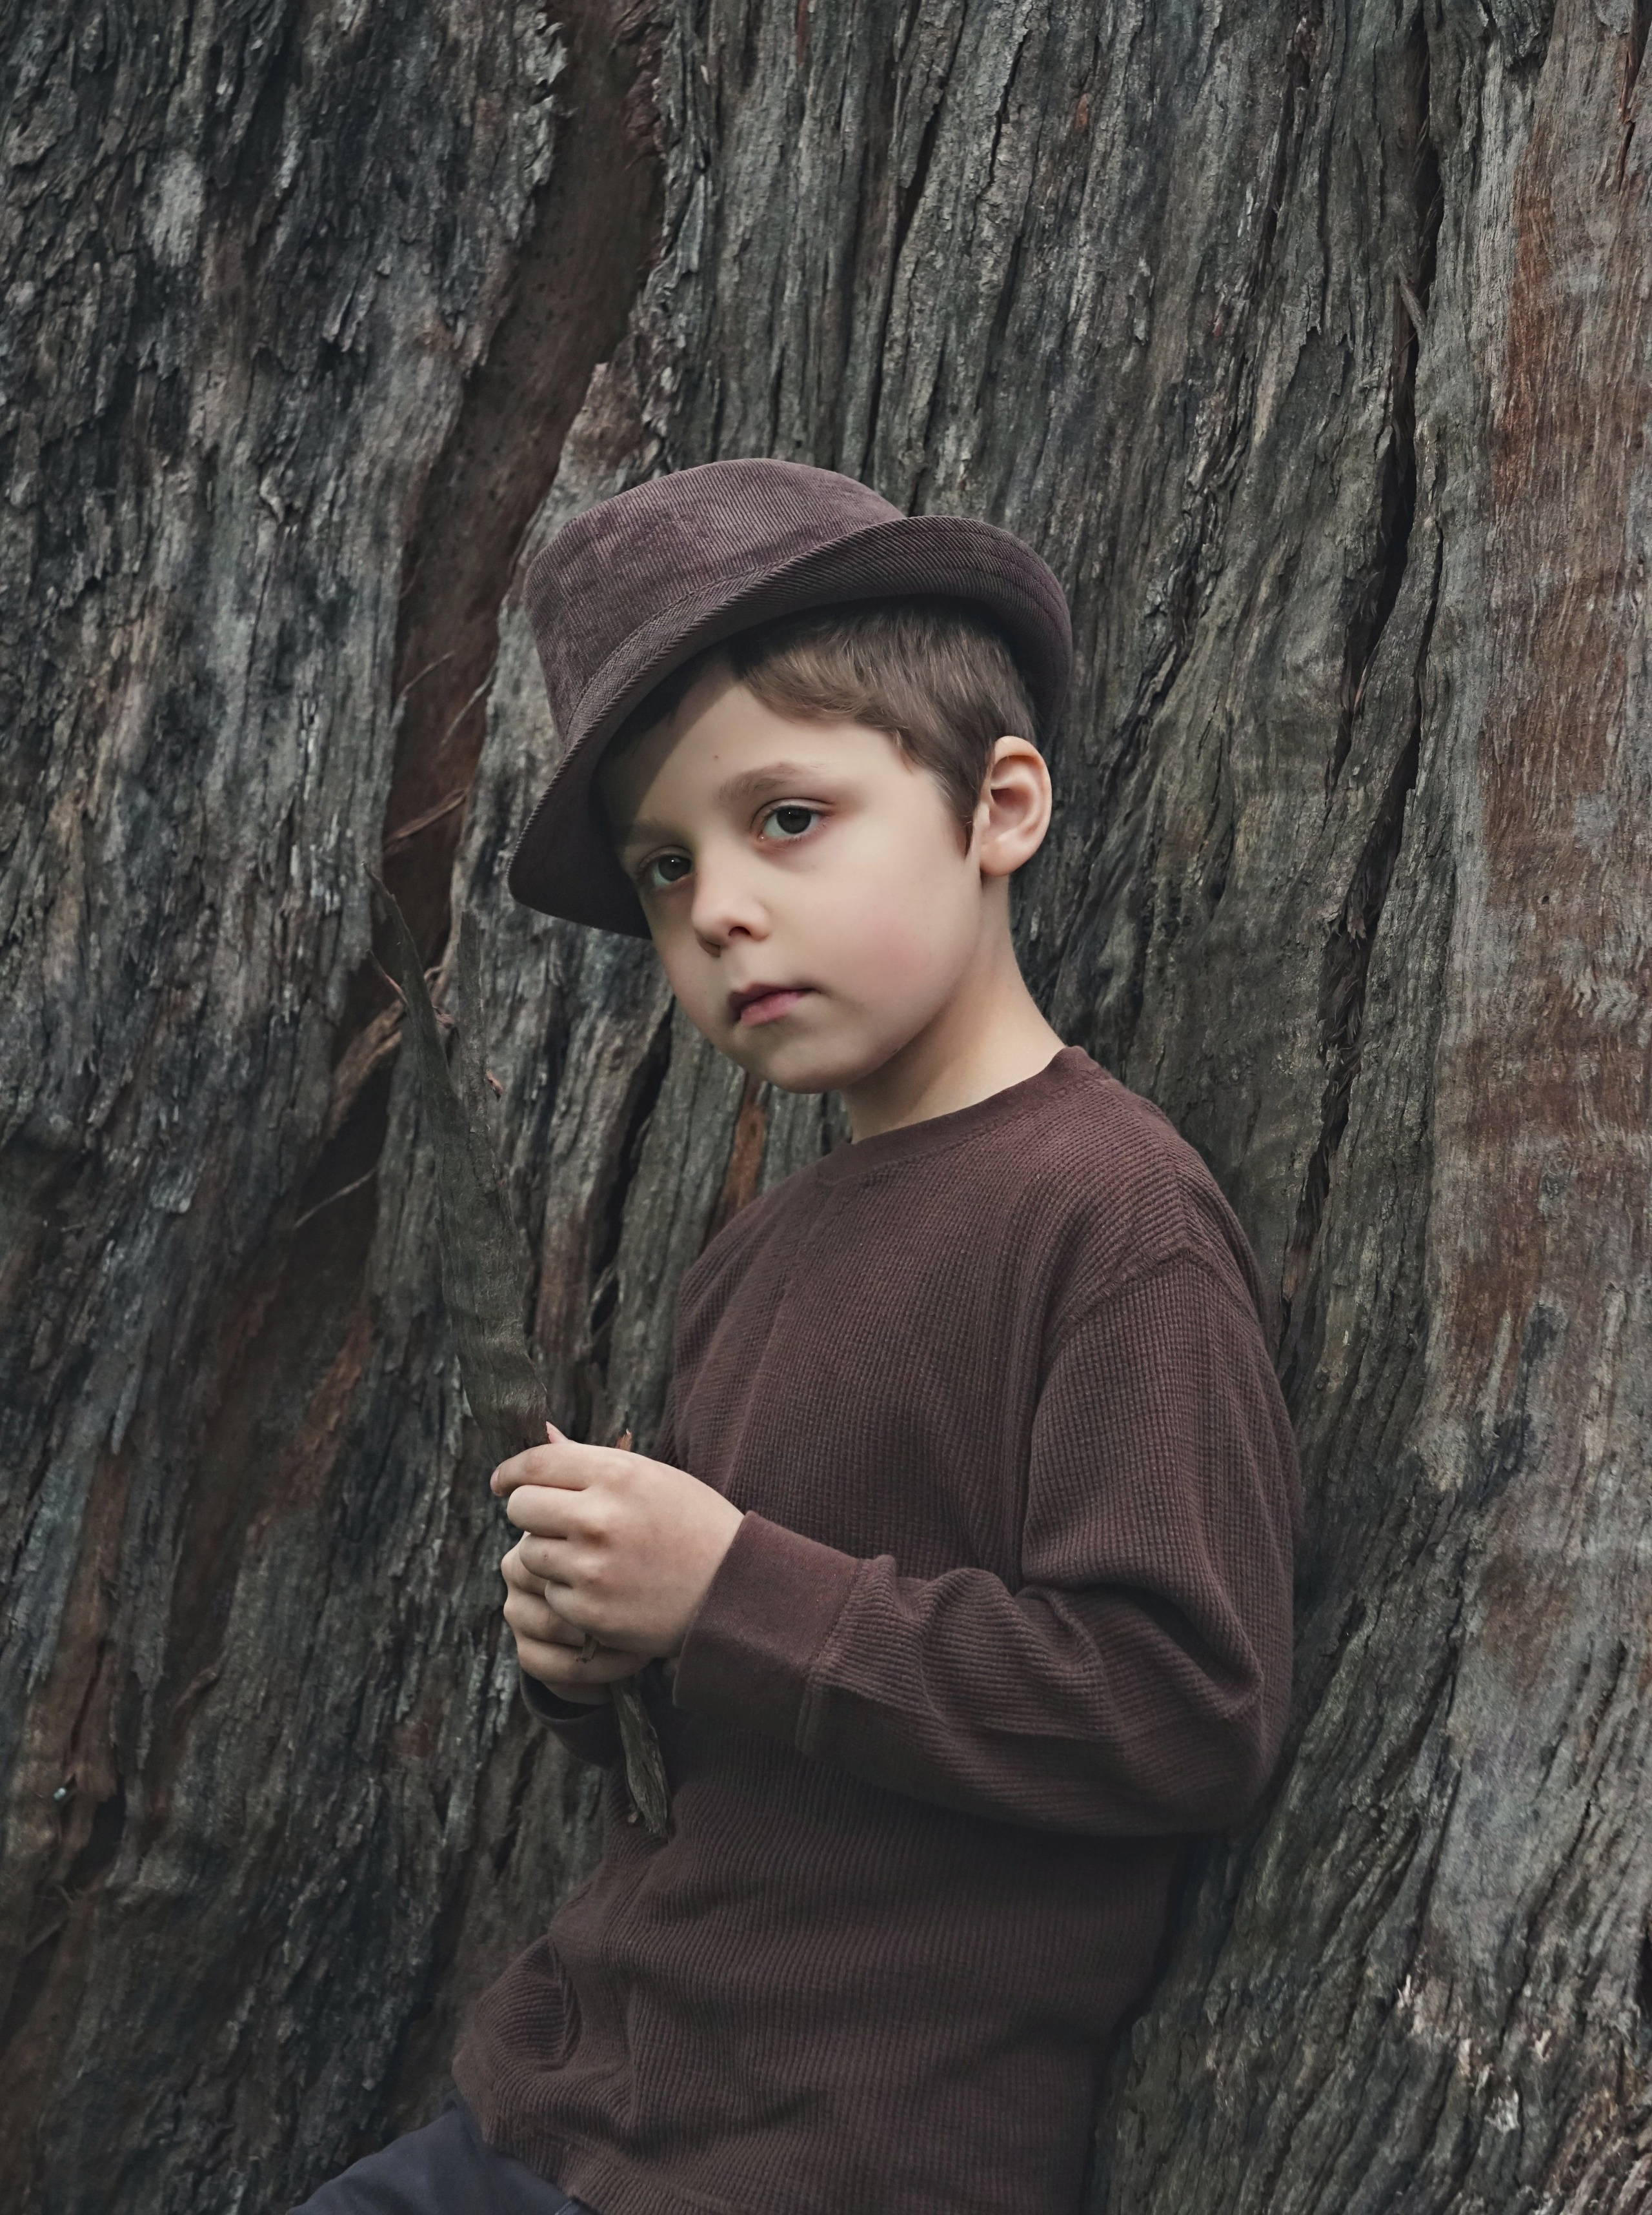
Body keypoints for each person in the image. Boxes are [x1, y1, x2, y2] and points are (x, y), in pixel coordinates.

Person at [294, 460, 1300, 2214]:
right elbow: (735, 1730)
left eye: (786, 819)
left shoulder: (1108, 1216)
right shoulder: (751, 1259)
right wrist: (598, 1655)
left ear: (998, 808)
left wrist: (723, 1587)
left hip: (830, 2158)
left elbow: (1181, 1709)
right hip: (554, 2114)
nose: (717, 911)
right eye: (666, 867)